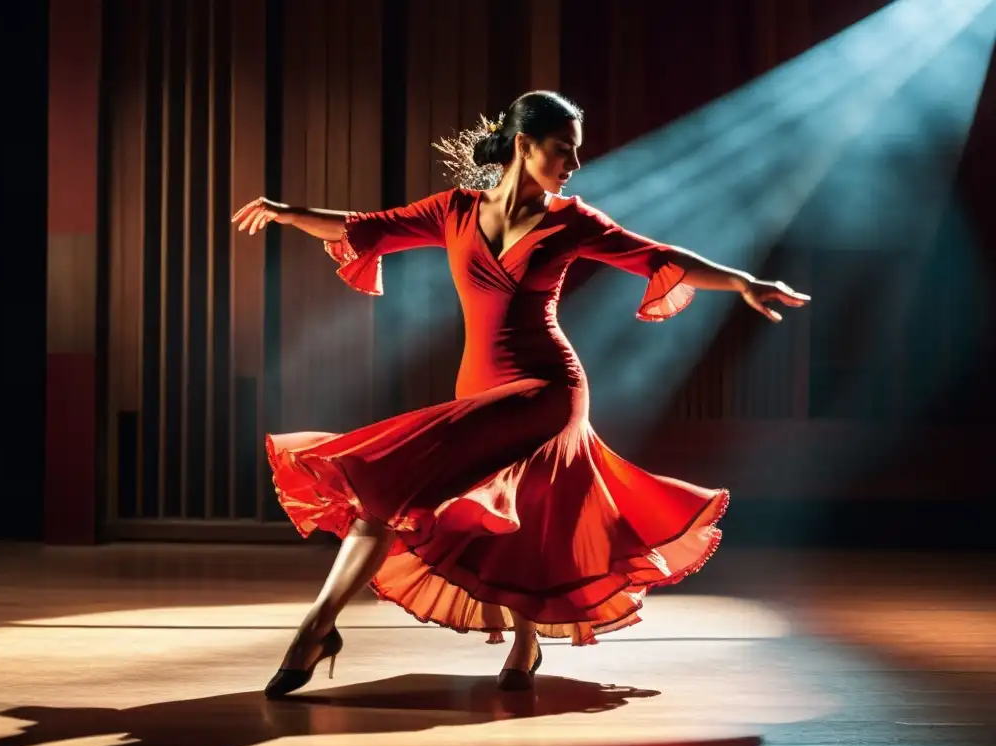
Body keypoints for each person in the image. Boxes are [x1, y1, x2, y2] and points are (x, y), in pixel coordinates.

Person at [231, 90, 809, 698]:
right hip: (477, 385)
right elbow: (362, 228)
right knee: (511, 513)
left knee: (387, 483)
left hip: (548, 387)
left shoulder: (571, 221)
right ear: (524, 145)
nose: (574, 165)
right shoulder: (452, 210)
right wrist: (288, 211)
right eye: (564, 150)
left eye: (576, 153)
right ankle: (524, 644)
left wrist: (743, 282)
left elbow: (655, 256)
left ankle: (312, 632)